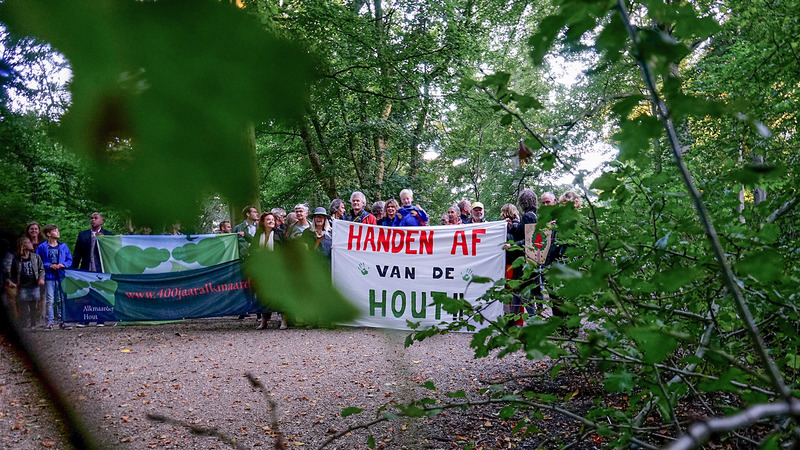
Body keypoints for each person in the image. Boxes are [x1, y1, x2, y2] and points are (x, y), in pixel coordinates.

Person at [72, 212, 115, 327]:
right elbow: (77, 253)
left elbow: (113, 253)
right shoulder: (83, 235)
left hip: (101, 269)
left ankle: (100, 319)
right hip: (87, 268)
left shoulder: (108, 235)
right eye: (91, 218)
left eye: (95, 218)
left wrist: (103, 240)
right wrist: (73, 269)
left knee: (100, 293)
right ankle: (85, 319)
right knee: (85, 293)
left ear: (101, 221)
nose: (92, 220)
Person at [254, 212, 288, 330]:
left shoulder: (280, 234)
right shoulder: (259, 235)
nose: (271, 221)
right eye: (268, 220)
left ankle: (284, 320)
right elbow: (252, 249)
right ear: (263, 222)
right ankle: (264, 321)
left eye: (273, 220)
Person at [36, 224, 72, 330]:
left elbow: (69, 259)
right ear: (49, 234)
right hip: (49, 276)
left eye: (58, 230)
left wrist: (63, 265)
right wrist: (49, 265)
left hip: (61, 276)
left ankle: (63, 321)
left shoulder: (63, 246)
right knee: (50, 300)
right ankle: (50, 322)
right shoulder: (42, 247)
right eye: (55, 231)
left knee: (61, 299)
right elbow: (39, 261)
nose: (58, 232)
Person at [9, 237, 45, 329]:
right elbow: (12, 272)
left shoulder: (35, 257)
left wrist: (41, 278)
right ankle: (25, 323)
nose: (31, 244)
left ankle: (34, 324)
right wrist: (14, 282)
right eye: (28, 243)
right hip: (22, 285)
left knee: (34, 306)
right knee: (23, 306)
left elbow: (41, 269)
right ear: (23, 245)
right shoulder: (16, 258)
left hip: (34, 284)